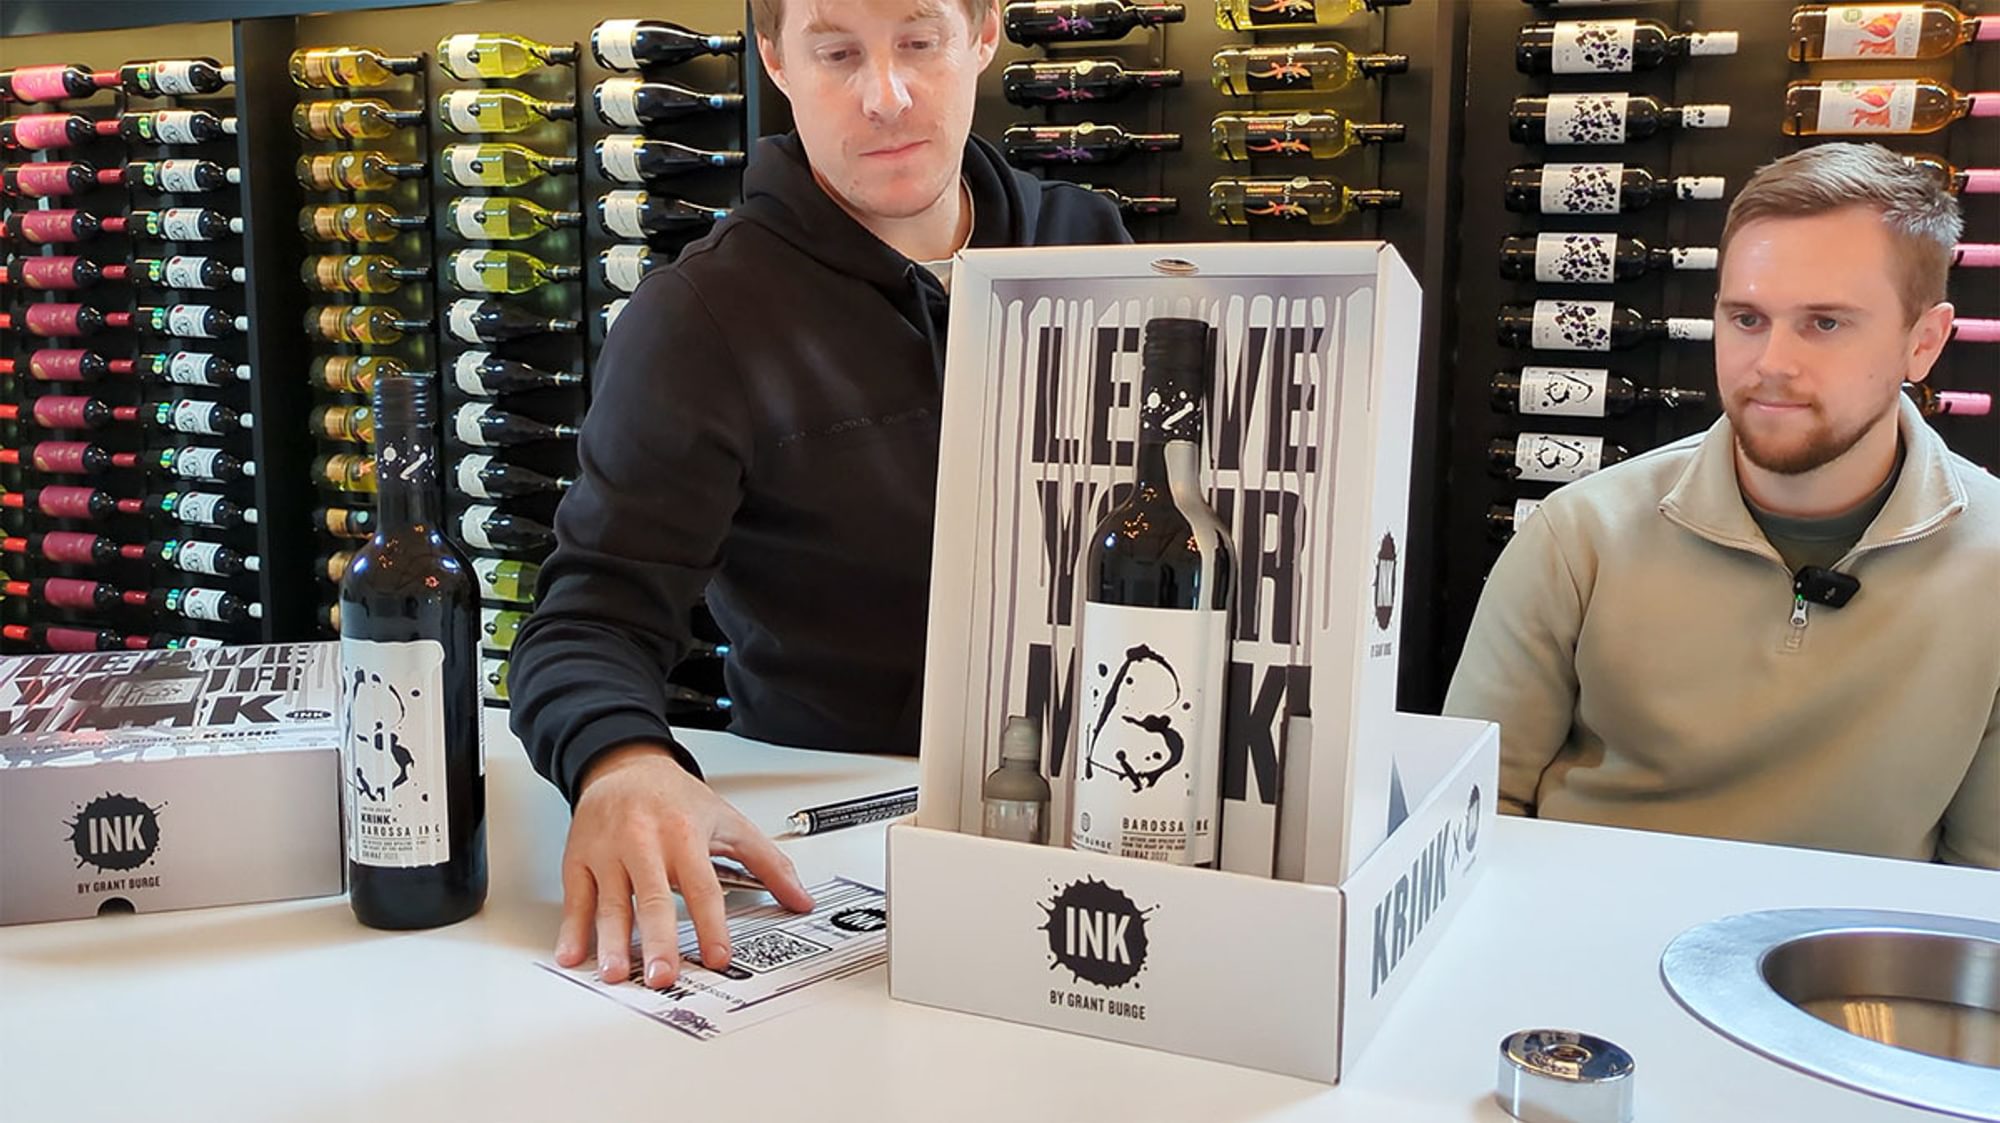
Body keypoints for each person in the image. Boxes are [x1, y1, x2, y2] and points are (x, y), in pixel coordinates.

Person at [507, 0, 1130, 988]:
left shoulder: (1090, 244)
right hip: (851, 842)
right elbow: (588, 618)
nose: (884, 96)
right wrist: (621, 762)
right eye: (837, 53)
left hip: (1112, 797)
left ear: (981, 34)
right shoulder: (702, 317)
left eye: (918, 43)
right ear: (774, 60)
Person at [1445, 142, 1998, 869]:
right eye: (1746, 319)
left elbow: (1978, 890)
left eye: (1824, 323)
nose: (1771, 363)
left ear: (1923, 342)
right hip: (1578, 953)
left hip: (1843, 977)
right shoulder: (1579, 536)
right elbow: (1460, 824)